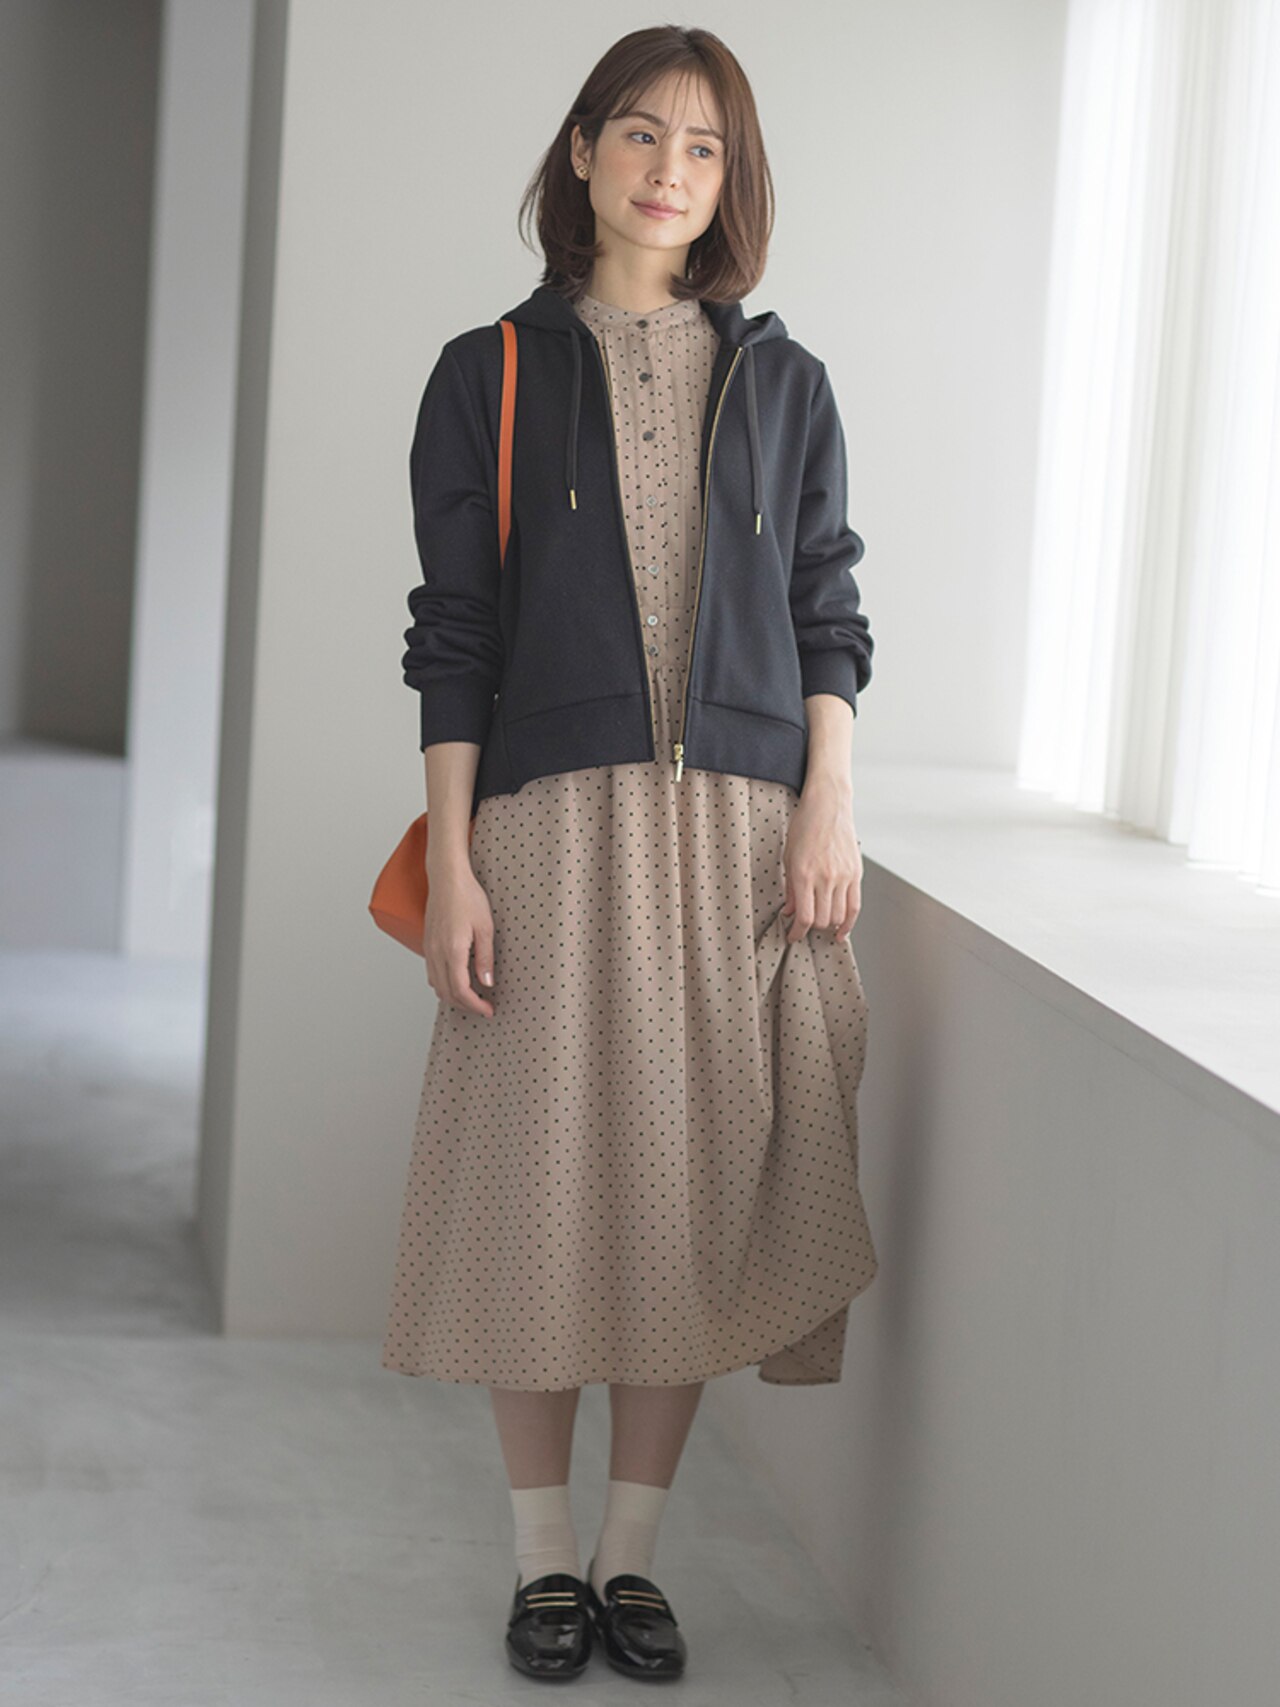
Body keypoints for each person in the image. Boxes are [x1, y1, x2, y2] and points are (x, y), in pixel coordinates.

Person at [380, 23, 879, 1684]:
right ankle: (542, 1559)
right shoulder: (488, 372)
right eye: (645, 134)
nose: (673, 169)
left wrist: (827, 798)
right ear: (584, 150)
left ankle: (630, 1559)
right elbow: (454, 634)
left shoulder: (788, 387)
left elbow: (827, 610)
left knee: (685, 1200)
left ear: (735, 182)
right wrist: (456, 861)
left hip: (735, 837)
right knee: (538, 1193)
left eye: (708, 146)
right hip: (547, 829)